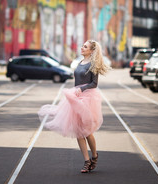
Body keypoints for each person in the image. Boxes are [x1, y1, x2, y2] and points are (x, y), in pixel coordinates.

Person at [38, 40, 110, 173]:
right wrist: (76, 92)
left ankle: (94, 156)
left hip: (87, 99)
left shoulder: (93, 64)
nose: (82, 48)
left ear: (92, 51)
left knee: (87, 132)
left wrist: (82, 90)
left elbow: (94, 83)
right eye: (82, 46)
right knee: (78, 131)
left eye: (85, 47)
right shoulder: (79, 63)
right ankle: (87, 161)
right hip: (75, 97)